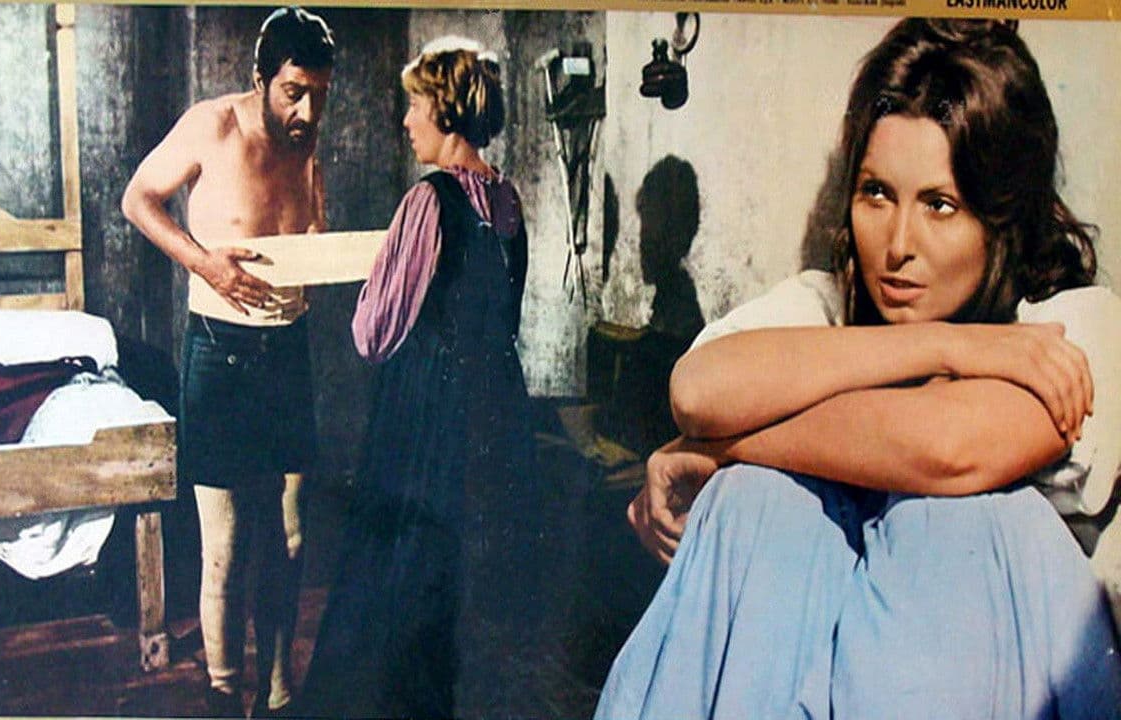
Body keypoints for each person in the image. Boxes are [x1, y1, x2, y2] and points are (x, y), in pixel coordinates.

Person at [597, 18, 1121, 719]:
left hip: (993, 680)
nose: (898, 245)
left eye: (940, 205)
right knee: (757, 503)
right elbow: (697, 389)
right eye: (876, 193)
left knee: (953, 520)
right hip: (811, 675)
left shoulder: (1076, 325)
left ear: (1005, 218)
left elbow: (946, 449)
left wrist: (717, 448)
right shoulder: (830, 304)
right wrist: (948, 346)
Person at [295, 36, 545, 719]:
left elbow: (373, 333)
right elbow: (505, 315)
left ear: (445, 110)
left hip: (427, 407)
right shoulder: (508, 201)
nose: (406, 121)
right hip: (494, 407)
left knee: (396, 573)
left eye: (414, 106)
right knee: (460, 579)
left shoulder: (428, 201)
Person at [119, 7, 334, 717]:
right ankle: (222, 696)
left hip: (288, 350)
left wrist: (321, 249)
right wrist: (204, 263)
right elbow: (137, 200)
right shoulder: (211, 125)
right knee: (227, 547)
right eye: (294, 93)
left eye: (319, 95)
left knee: (291, 537)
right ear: (261, 79)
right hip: (221, 350)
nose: (307, 112)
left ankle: (278, 694)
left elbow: (312, 226)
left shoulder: (306, 139)